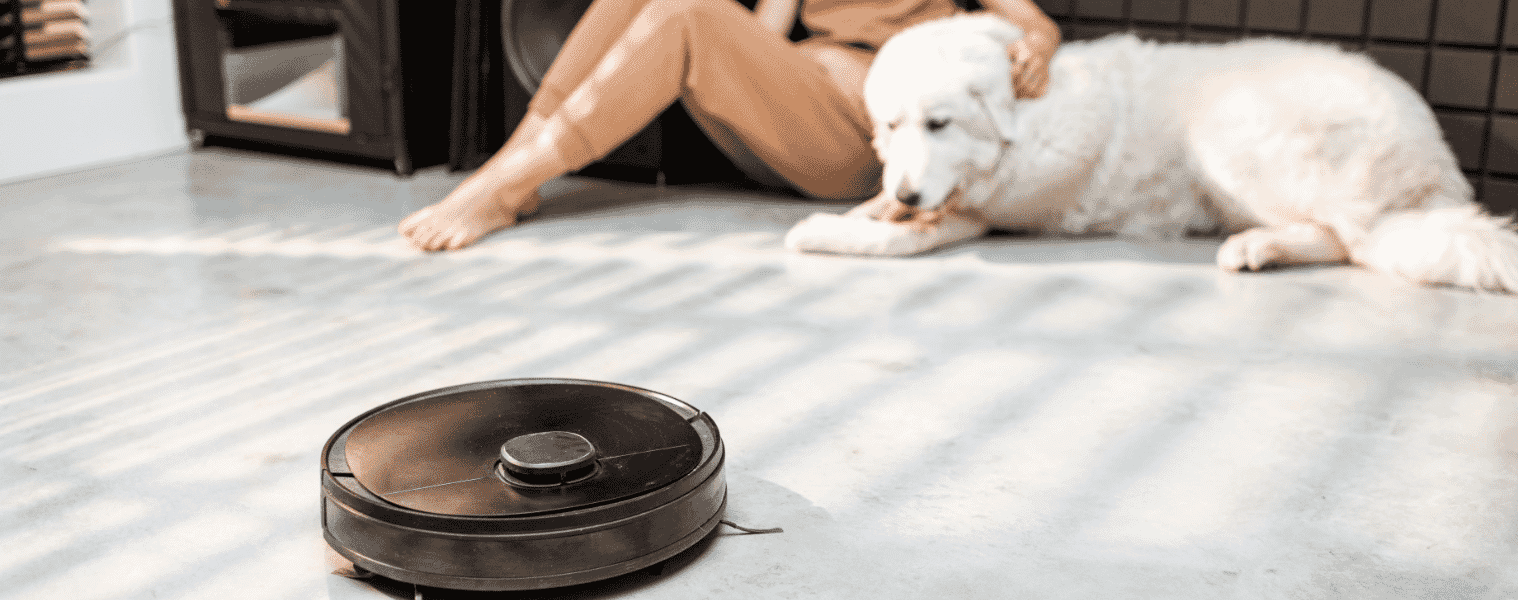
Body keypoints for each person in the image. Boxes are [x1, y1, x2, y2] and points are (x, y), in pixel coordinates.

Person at [399, 0, 1060, 251]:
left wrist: (1038, 48)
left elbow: (1035, 23)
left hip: (864, 134)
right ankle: (511, 174)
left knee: (688, 16)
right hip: (793, 111)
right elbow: (761, 40)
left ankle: (505, 181)